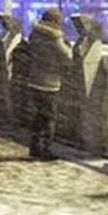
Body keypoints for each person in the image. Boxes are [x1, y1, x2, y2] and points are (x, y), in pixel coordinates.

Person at [26, 8, 72, 160]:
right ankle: (46, 149)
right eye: (59, 21)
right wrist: (69, 47)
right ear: (54, 22)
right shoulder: (54, 38)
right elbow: (68, 58)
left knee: (38, 117)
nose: (61, 24)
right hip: (49, 84)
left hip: (34, 81)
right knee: (49, 119)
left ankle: (34, 146)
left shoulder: (34, 34)